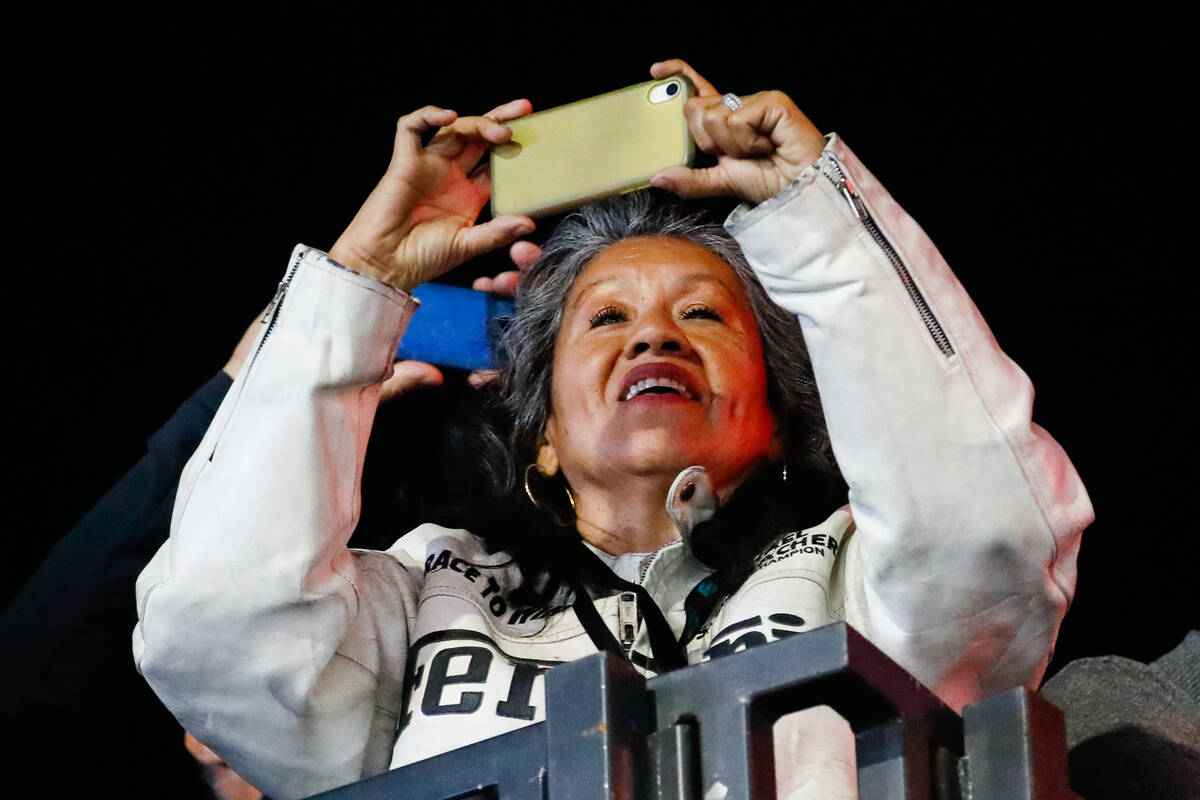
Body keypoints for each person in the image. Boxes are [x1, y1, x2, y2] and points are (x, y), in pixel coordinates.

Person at [133, 60, 1094, 799]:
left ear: (774, 420)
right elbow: (215, 625)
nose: (653, 336)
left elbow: (986, 530)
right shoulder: (427, 594)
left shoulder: (871, 584)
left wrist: (818, 222)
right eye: (605, 319)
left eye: (705, 315)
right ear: (543, 435)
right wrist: (364, 278)